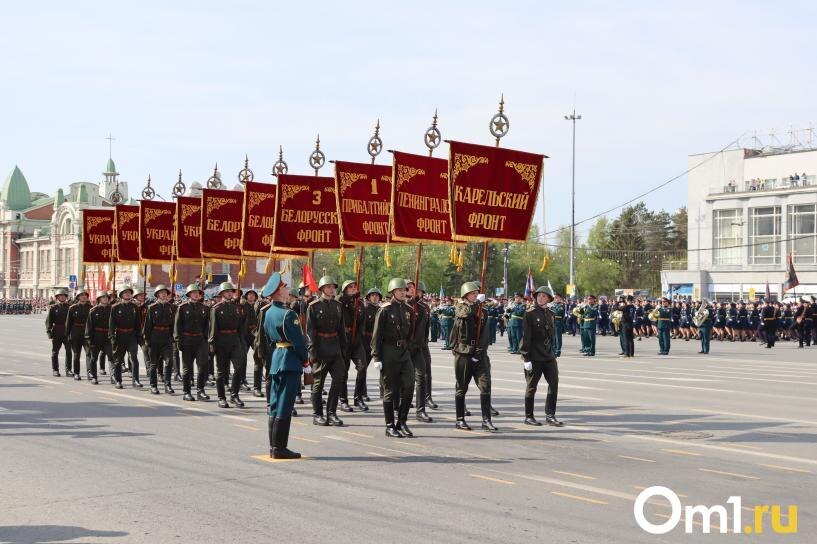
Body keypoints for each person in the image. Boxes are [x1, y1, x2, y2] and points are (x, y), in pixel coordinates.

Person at [263, 272, 310, 459]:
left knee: (274, 404)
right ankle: (280, 448)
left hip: (276, 358)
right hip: (290, 361)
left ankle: (273, 446)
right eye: (284, 287)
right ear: (278, 292)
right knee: (284, 405)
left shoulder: (268, 313)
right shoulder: (288, 314)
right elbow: (299, 342)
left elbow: (268, 339)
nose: (286, 290)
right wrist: (306, 362)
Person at [370, 278, 416, 437]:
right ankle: (390, 425)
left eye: (404, 290)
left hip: (404, 352)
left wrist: (407, 347)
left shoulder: (409, 309)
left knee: (410, 386)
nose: (403, 292)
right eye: (400, 290)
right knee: (390, 391)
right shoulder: (385, 310)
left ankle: (402, 422)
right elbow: (376, 336)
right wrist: (376, 357)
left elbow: (411, 333)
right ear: (393, 292)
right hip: (388, 352)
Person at [449, 281, 496, 432]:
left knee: (485, 386)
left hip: (479, 353)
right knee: (461, 387)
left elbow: (485, 334)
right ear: (465, 295)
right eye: (472, 294)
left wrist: (480, 351)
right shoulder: (461, 307)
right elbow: (465, 314)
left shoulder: (483, 310)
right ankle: (460, 419)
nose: (475, 296)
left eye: (476, 293)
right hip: (463, 352)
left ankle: (486, 420)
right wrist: (477, 305)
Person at [306, 276, 348, 426]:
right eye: (329, 287)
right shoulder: (314, 306)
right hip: (320, 348)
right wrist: (312, 352)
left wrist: (344, 349)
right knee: (318, 383)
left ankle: (332, 413)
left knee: (338, 380)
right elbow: (310, 332)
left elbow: (341, 330)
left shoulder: (338, 305)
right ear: (322, 289)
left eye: (333, 287)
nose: (332, 289)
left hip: (335, 348)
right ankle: (317, 414)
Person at [520, 287, 563, 426]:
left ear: (549, 299)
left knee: (554, 384)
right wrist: (526, 358)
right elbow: (526, 337)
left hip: (548, 356)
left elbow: (551, 336)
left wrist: (553, 352)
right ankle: (529, 416)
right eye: (539, 296)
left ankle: (550, 415)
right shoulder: (530, 314)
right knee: (532, 386)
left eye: (544, 296)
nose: (540, 298)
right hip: (534, 356)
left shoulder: (551, 314)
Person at [208, 282, 248, 408]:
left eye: (231, 291)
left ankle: (234, 395)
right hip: (221, 341)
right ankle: (221, 398)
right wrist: (212, 345)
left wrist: (241, 341)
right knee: (221, 371)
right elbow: (213, 328)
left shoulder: (239, 308)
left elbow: (242, 326)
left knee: (238, 368)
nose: (230, 293)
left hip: (235, 340)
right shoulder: (216, 308)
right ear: (222, 293)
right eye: (227, 291)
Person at [174, 283, 210, 401]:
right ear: (189, 294)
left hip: (200, 340)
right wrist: (178, 340)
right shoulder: (182, 307)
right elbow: (177, 325)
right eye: (193, 293)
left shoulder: (204, 308)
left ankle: (200, 390)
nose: (196, 294)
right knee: (187, 368)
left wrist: (205, 340)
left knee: (202, 366)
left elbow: (206, 326)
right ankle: (186, 392)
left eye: (198, 293)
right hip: (187, 340)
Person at [406, 279, 433, 423]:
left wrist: (423, 344)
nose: (413, 291)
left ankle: (420, 410)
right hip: (404, 348)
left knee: (421, 376)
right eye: (410, 289)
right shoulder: (403, 305)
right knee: (403, 379)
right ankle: (397, 406)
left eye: (417, 290)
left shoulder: (424, 308)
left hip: (418, 348)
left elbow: (425, 329)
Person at [144, 285, 176, 395]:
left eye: (165, 292)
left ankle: (168, 385)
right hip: (155, 337)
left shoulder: (172, 307)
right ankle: (153, 386)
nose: (163, 294)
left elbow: (173, 325)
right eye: (161, 292)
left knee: (169, 362)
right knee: (154, 364)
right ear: (157, 294)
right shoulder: (152, 308)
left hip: (166, 338)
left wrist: (173, 337)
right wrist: (147, 340)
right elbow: (148, 326)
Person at [109, 285, 142, 389]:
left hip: (131, 335)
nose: (128, 294)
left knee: (134, 358)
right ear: (121, 295)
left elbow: (138, 324)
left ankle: (135, 380)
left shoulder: (135, 307)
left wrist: (139, 337)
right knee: (118, 360)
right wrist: (112, 338)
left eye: (129, 292)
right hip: (120, 335)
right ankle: (118, 380)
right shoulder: (115, 308)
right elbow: (112, 325)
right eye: (125, 292)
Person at [338, 280, 364, 413]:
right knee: (343, 371)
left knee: (362, 366)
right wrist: (349, 301)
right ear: (345, 290)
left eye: (355, 287)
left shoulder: (359, 303)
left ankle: (358, 398)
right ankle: (343, 400)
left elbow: (362, 322)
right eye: (350, 287)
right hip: (344, 339)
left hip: (356, 339)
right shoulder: (340, 302)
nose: (354, 289)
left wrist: (358, 337)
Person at [353, 287, 381, 409]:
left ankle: (383, 391)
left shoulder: (381, 310)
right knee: (362, 368)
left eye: (377, 295)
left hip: (378, 342)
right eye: (372, 295)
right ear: (369, 297)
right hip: (366, 341)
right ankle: (361, 394)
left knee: (383, 368)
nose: (375, 297)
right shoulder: (365, 309)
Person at [85, 292, 113, 384]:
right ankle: (94, 376)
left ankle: (113, 376)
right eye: (103, 297)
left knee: (111, 357)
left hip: (108, 336)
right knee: (94, 358)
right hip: (96, 336)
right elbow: (89, 326)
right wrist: (89, 339)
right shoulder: (93, 310)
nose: (105, 299)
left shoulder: (112, 309)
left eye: (106, 297)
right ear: (99, 299)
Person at [66, 287, 92, 381]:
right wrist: (68, 336)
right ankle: (76, 373)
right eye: (81, 295)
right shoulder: (72, 308)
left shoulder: (91, 308)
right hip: (76, 333)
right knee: (76, 354)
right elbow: (68, 323)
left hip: (87, 333)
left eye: (85, 295)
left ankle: (90, 372)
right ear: (78, 297)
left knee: (89, 353)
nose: (84, 297)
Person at [46, 288, 72, 377]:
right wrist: (49, 333)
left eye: (64, 296)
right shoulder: (53, 308)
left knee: (69, 351)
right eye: (60, 296)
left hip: (67, 332)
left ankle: (68, 370)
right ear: (57, 297)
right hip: (57, 331)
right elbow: (48, 321)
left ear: (66, 297)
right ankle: (55, 369)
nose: (62, 297)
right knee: (55, 352)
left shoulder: (70, 307)